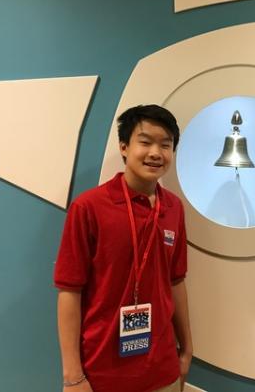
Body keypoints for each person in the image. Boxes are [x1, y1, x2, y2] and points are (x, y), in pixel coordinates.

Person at [54, 105, 192, 392]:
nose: (156, 153)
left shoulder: (174, 208)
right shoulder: (89, 207)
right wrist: (72, 375)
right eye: (145, 142)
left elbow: (176, 280)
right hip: (102, 373)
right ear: (124, 147)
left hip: (162, 369)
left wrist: (187, 350)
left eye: (165, 145)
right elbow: (70, 290)